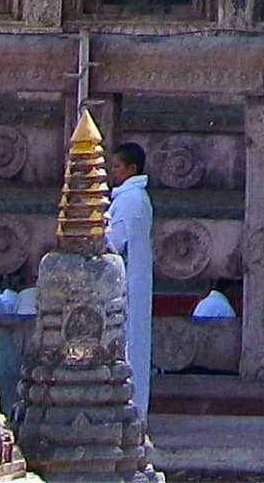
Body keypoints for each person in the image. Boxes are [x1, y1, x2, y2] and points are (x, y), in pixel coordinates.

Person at [104, 141, 156, 414]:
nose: (113, 172)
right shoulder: (132, 199)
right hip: (132, 279)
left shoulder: (130, 201)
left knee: (127, 343)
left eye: (117, 167)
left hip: (125, 282)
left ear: (131, 169)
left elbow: (115, 241)